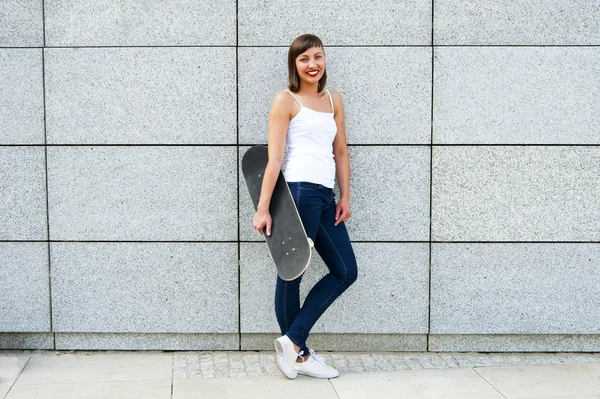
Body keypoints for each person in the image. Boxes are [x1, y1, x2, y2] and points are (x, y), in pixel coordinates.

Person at [252, 34, 358, 380]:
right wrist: (264, 207)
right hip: (298, 192)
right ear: (294, 64)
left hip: (326, 195)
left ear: (325, 60)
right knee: (292, 271)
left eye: (318, 57)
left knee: (345, 271)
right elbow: (275, 158)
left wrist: (344, 196)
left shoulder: (333, 100)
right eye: (304, 59)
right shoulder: (285, 100)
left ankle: (293, 342)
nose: (312, 64)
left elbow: (340, 151)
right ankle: (298, 352)